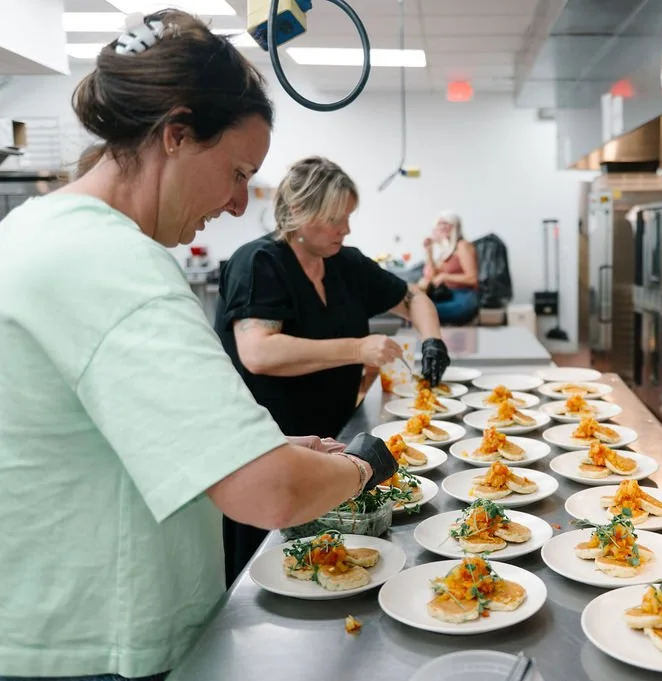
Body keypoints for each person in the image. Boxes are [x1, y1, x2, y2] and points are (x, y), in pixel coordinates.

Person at [0, 12, 397, 681]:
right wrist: (364, 466)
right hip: (95, 647)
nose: (242, 204)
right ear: (176, 135)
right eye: (238, 172)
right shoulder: (107, 259)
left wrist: (246, 448)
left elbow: (107, 439)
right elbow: (269, 492)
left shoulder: (34, 230)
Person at [214, 155, 450, 582]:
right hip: (274, 449)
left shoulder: (345, 263)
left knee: (335, 566)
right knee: (270, 571)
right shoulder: (260, 263)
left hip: (335, 443)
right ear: (300, 215)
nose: (346, 229)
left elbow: (413, 297)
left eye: (348, 217)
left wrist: (432, 337)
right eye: (335, 219)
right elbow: (259, 353)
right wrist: (357, 348)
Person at [418, 210, 480, 324]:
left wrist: (445, 277)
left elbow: (473, 278)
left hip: (463, 296)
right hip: (447, 294)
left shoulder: (462, 246)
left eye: (445, 223)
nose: (441, 227)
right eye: (439, 224)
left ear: (454, 226)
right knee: (417, 309)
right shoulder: (445, 251)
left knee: (422, 312)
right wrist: (429, 252)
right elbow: (432, 277)